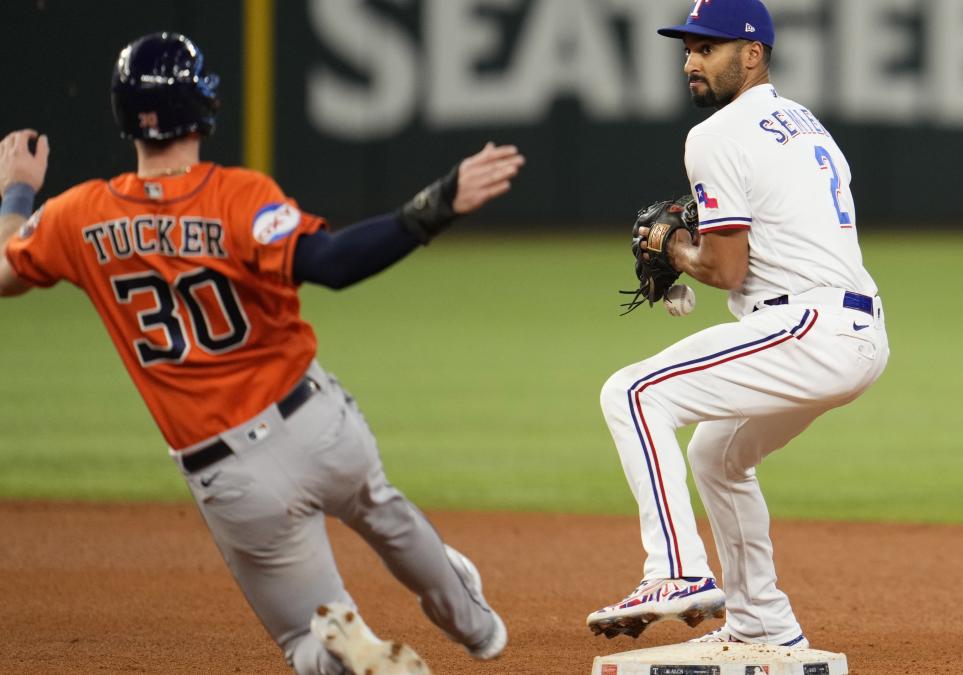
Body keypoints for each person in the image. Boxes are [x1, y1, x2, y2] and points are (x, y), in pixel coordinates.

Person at [0, 32, 524, 675]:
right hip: (315, 425)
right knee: (382, 510)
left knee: (306, 641)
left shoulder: (76, 216)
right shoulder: (237, 196)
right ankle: (477, 628)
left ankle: (345, 651)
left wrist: (19, 192)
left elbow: (6, 268)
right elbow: (330, 265)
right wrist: (434, 206)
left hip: (229, 474)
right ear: (201, 106)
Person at [586, 0, 889, 649]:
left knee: (634, 393)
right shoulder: (805, 122)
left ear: (752, 54)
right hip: (853, 328)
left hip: (807, 324)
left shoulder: (716, 135)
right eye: (688, 49)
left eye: (709, 47)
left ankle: (675, 570)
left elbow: (724, 267)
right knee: (716, 455)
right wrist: (689, 252)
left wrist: (673, 252)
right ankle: (763, 623)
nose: (691, 61)